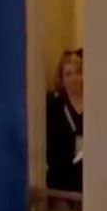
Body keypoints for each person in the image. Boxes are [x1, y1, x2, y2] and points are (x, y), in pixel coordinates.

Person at [45, 49, 84, 193]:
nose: (74, 78)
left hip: (88, 179)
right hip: (61, 182)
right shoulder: (54, 106)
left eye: (78, 72)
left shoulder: (94, 106)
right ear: (61, 79)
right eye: (68, 74)